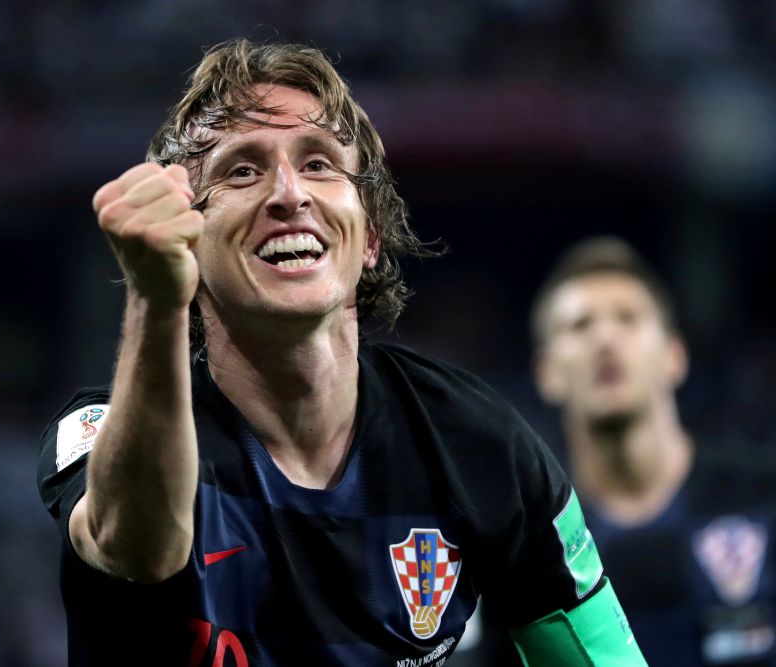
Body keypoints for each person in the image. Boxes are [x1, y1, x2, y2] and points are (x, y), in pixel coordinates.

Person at [37, 39, 646, 666]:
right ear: (187, 240)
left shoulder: (477, 443)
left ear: (371, 235)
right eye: (241, 171)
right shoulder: (100, 432)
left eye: (319, 164)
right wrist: (156, 299)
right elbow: (138, 549)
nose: (289, 194)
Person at [529, 237, 776, 666]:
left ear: (674, 357)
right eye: (580, 326)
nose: (605, 338)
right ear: (547, 373)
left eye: (628, 318)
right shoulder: (532, 543)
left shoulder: (764, 493)